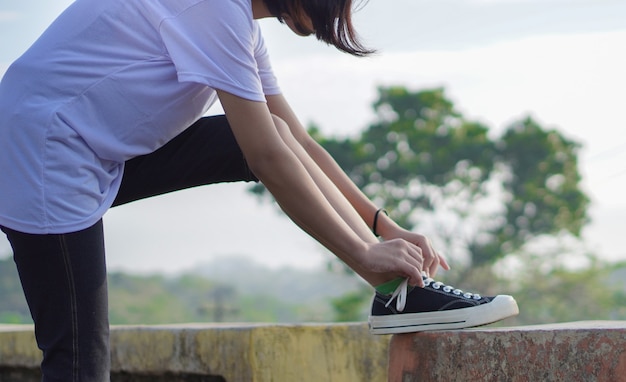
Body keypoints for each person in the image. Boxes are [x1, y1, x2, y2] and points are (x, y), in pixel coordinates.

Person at [0, 0, 519, 380]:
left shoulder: (238, 26)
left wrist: (381, 226)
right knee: (78, 360)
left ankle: (395, 295)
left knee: (264, 132)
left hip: (93, 149)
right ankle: (389, 285)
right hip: (42, 154)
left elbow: (295, 142)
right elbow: (266, 157)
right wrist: (364, 252)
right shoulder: (215, 9)